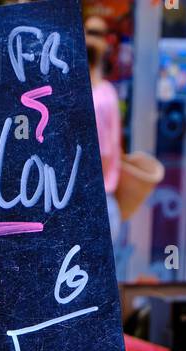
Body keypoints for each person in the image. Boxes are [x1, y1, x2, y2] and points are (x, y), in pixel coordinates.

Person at [85, 14, 122, 248]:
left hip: (99, 201)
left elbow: (107, 150)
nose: (92, 40)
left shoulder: (104, 95)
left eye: (97, 34)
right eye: (89, 32)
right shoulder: (77, 91)